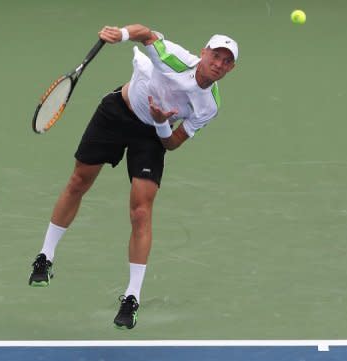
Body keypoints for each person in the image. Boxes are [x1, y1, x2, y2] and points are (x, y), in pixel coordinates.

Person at [28, 23, 238, 330]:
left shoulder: (210, 105)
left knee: (141, 211)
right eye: (216, 55)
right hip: (118, 112)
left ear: (231, 68)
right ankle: (45, 257)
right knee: (78, 182)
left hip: (152, 135)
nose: (219, 64)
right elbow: (146, 33)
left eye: (227, 61)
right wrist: (122, 34)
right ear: (204, 53)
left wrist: (161, 123)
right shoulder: (175, 58)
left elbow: (173, 143)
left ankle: (131, 297)